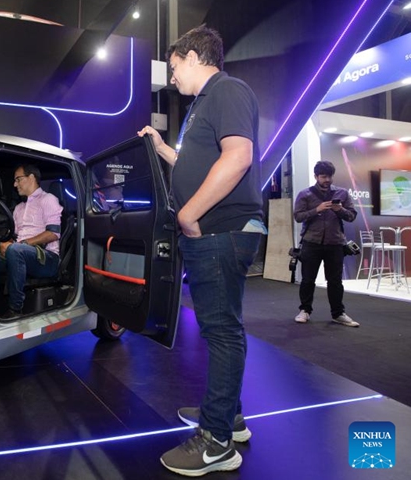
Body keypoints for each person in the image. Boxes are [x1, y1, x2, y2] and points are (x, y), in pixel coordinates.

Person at [137, 24, 264, 477]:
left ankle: (216, 443)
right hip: (214, 231)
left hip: (219, 230)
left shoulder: (227, 90)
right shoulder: (204, 105)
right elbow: (199, 160)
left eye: (173, 68)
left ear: (193, 57)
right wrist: (161, 147)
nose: (172, 78)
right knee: (222, 329)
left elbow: (238, 157)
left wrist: (188, 215)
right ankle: (228, 416)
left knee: (222, 332)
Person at [293, 160, 359, 327]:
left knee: (335, 281)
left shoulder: (342, 194)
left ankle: (338, 313)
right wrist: (317, 209)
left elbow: (351, 216)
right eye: (323, 176)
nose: (327, 180)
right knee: (308, 279)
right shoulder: (305, 194)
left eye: (329, 176)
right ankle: (305, 310)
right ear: (316, 176)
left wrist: (340, 210)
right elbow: (298, 217)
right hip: (311, 243)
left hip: (335, 243)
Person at [0, 164, 62, 319]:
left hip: (47, 258)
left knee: (16, 250)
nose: (15, 184)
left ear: (31, 178)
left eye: (18, 179)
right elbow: (15, 236)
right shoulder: (18, 208)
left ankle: (15, 309)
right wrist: (5, 244)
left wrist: (21, 245)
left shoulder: (49, 200)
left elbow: (53, 233)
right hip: (20, 253)